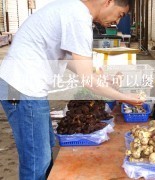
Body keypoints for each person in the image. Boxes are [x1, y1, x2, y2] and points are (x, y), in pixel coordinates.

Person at [0, 0, 143, 179]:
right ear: (108, 2)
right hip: (23, 88)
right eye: (119, 14)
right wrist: (123, 96)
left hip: (25, 87)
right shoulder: (78, 18)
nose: (116, 21)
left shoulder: (72, 10)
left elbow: (70, 61)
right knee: (37, 161)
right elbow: (88, 82)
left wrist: (100, 78)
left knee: (44, 152)